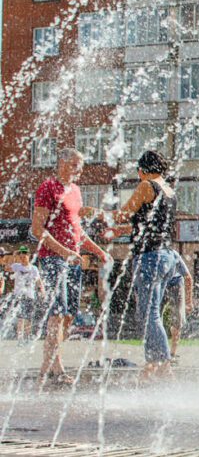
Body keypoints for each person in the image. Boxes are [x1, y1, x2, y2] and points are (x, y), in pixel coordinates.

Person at [32, 148, 110, 387]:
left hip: (73, 261)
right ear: (62, 163)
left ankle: (54, 365)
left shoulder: (75, 191)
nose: (80, 170)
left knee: (69, 315)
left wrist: (98, 251)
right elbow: (37, 230)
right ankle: (49, 371)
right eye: (77, 165)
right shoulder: (48, 188)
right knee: (56, 314)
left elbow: (77, 231)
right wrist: (64, 252)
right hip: (53, 259)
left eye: (81, 166)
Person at [105, 151, 178, 381]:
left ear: (142, 170)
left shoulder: (147, 185)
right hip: (166, 255)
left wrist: (96, 213)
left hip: (149, 257)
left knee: (149, 314)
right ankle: (155, 366)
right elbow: (150, 224)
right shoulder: (168, 190)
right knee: (148, 312)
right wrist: (125, 231)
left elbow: (123, 214)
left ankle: (163, 365)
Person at [6, 246, 46, 343]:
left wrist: (42, 290)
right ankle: (20, 338)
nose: (23, 257)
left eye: (25, 255)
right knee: (20, 317)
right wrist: (13, 256)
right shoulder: (17, 266)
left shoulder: (33, 268)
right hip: (19, 295)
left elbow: (38, 280)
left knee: (29, 317)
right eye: (21, 255)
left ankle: (27, 337)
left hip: (30, 295)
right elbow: (7, 268)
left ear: (29, 256)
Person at [162, 249, 193, 361]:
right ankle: (161, 351)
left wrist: (189, 302)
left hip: (176, 283)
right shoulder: (153, 255)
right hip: (161, 282)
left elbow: (188, 277)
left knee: (177, 320)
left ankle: (172, 353)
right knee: (155, 317)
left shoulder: (173, 254)